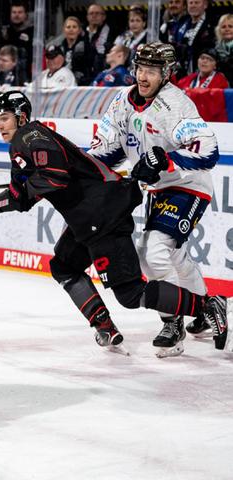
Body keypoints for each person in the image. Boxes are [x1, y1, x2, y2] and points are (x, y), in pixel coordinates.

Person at [0, 90, 228, 358]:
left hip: (102, 213)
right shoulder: (22, 146)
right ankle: (105, 327)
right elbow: (20, 197)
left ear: (21, 116)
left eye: (4, 117)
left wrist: (15, 195)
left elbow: (54, 178)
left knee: (130, 294)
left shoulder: (31, 136)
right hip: (87, 219)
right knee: (63, 266)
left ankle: (206, 306)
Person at [86, 42, 228, 355]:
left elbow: (208, 149)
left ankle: (172, 322)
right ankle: (205, 311)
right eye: (140, 68)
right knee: (171, 254)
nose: (144, 76)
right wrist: (81, 168)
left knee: (153, 252)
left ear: (166, 74)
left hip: (188, 183)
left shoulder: (175, 103)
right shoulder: (122, 100)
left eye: (152, 70)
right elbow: (106, 148)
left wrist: (163, 158)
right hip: (160, 189)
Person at [0, 0, 33, 77]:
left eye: (20, 12)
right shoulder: (5, 31)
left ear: (25, 14)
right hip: (5, 73)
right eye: (14, 12)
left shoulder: (32, 31)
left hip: (26, 74)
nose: (16, 15)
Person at [58, 16, 95, 85]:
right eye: (68, 27)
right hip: (62, 82)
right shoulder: (59, 48)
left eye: (74, 27)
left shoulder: (87, 47)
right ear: (64, 30)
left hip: (81, 84)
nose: (71, 30)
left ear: (79, 30)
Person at [86, 3, 114, 77]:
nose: (94, 16)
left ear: (104, 16)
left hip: (103, 72)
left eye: (97, 13)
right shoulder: (81, 32)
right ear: (87, 17)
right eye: (91, 13)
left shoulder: (112, 32)